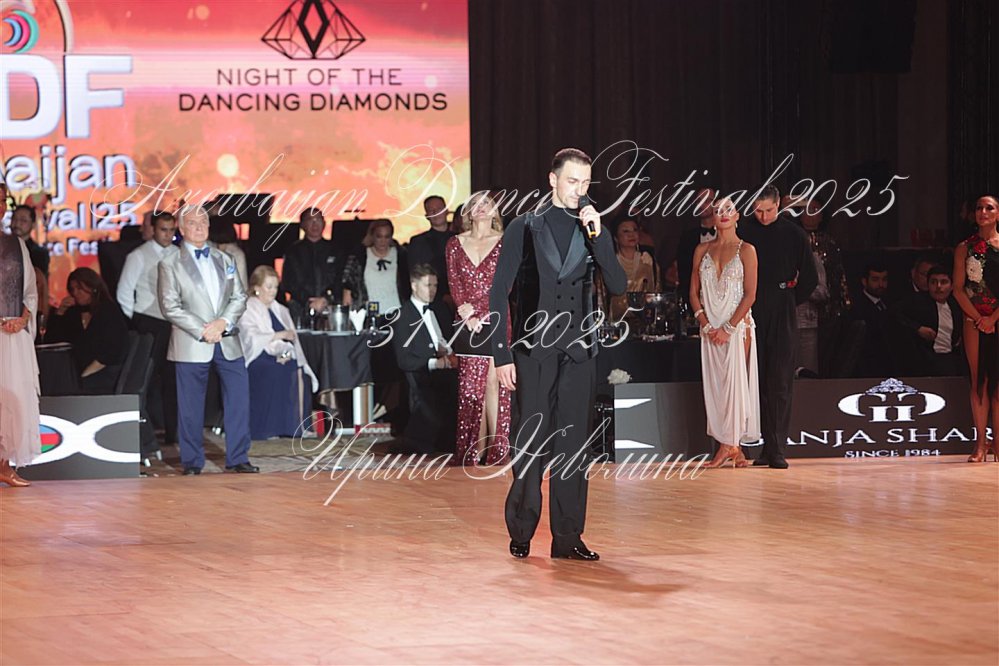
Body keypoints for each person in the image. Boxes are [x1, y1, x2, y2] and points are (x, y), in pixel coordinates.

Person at [489, 148, 627, 561]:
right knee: (531, 442)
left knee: (574, 446)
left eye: (585, 183)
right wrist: (501, 355)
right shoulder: (525, 226)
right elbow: (498, 293)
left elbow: (618, 285)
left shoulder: (593, 227)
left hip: (580, 352)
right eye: (572, 181)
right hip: (534, 351)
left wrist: (599, 237)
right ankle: (521, 528)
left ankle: (568, 537)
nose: (579, 190)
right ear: (552, 180)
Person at [158, 205, 258, 475]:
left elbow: (240, 296)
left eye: (203, 221)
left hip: (227, 339)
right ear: (181, 229)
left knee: (238, 399)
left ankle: (238, 457)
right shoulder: (169, 263)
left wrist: (223, 323)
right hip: (192, 342)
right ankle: (192, 461)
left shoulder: (225, 258)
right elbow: (170, 306)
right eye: (193, 223)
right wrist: (204, 330)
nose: (200, 227)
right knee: (190, 405)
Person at [737, 186, 818, 469]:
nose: (763, 216)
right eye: (758, 210)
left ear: (778, 206)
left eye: (769, 210)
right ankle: (760, 446)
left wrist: (789, 299)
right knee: (755, 378)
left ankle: (777, 448)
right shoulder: (743, 231)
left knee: (780, 379)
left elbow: (809, 277)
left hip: (782, 304)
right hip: (750, 306)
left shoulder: (794, 233)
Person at [689, 198, 761, 468]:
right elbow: (693, 292)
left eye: (728, 209)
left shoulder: (747, 250)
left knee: (735, 384)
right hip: (710, 328)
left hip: (736, 326)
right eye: (718, 210)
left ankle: (729, 446)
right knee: (716, 386)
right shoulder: (702, 249)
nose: (723, 214)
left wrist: (729, 327)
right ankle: (733, 448)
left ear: (737, 215)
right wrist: (706, 324)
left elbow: (750, 294)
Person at [446, 192, 511, 466]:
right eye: (475, 204)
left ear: (495, 211)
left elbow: (508, 283)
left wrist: (485, 311)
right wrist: (466, 311)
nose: (481, 207)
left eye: (487, 203)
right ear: (468, 212)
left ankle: (499, 451)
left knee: (494, 382)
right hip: (468, 321)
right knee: (472, 388)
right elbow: (454, 282)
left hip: (497, 316)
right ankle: (474, 450)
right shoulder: (454, 244)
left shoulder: (505, 241)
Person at [117, 211, 179, 445]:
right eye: (163, 229)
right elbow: (124, 291)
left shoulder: (179, 254)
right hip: (148, 322)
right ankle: (143, 433)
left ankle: (172, 432)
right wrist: (136, 321)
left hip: (174, 323)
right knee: (145, 378)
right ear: (153, 229)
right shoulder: (138, 255)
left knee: (172, 378)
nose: (167, 235)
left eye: (171, 230)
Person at [239, 266, 318, 440]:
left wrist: (285, 354)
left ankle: (297, 426)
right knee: (274, 371)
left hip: (282, 354)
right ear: (257, 288)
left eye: (275, 287)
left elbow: (292, 342)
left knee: (297, 369)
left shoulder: (281, 310)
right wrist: (278, 335)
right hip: (257, 356)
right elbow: (251, 338)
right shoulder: (248, 308)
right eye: (269, 287)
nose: (273, 291)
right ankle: (269, 428)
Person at [391, 264, 458, 455]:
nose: (432, 290)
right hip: (423, 378)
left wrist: (450, 355)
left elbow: (443, 341)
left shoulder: (438, 310)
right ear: (414, 286)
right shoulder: (403, 316)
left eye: (435, 285)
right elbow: (404, 360)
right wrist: (436, 363)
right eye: (428, 285)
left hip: (446, 370)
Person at [952, 194, 999, 463]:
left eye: (989, 208)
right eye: (979, 208)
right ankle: (980, 443)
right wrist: (980, 319)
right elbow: (958, 289)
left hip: (996, 318)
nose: (983, 212)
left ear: (997, 214)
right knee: (979, 380)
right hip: (974, 320)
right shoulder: (965, 248)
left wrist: (993, 319)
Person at [0, 197, 41, 487]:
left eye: (2, 200)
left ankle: (4, 465)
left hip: (13, 335)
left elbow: (30, 291)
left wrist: (24, 318)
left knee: (13, 398)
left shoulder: (16, 244)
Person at [45, 268, 129, 393]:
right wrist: (60, 313)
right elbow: (54, 340)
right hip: (75, 370)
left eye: (79, 288)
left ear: (93, 287)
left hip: (103, 371)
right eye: (72, 289)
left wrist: (85, 375)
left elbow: (113, 349)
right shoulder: (73, 313)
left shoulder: (108, 311)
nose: (75, 293)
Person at [794, 198, 850, 376]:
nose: (810, 214)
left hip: (817, 316)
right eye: (806, 210)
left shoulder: (829, 244)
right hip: (786, 318)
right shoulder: (791, 242)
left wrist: (800, 286)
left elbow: (832, 283)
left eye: (815, 209)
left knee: (813, 368)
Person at [895, 265, 963, 376]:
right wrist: (918, 328)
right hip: (924, 360)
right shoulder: (916, 301)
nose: (938, 286)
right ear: (928, 284)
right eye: (933, 282)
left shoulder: (956, 305)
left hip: (951, 358)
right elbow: (894, 315)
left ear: (951, 286)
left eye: (943, 282)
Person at [281, 207, 343, 323]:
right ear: (302, 225)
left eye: (318, 219)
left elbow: (340, 279)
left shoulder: (335, 250)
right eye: (310, 220)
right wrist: (308, 301)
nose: (315, 224)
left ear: (324, 223)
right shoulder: (293, 251)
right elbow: (288, 282)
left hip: (329, 307)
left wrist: (326, 299)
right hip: (299, 309)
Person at [340, 219, 410, 314]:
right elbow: (348, 286)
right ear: (372, 236)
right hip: (368, 313)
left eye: (387, 237)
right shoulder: (359, 257)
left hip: (397, 312)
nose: (383, 241)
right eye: (379, 236)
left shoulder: (401, 256)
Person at [606, 218, 660, 321]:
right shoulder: (611, 263)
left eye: (635, 230)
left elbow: (656, 291)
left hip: (644, 321)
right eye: (626, 231)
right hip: (617, 322)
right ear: (616, 237)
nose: (632, 235)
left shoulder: (647, 261)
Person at [849, 263, 896, 378]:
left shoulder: (889, 303)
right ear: (864, 281)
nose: (881, 284)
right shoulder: (857, 308)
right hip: (868, 371)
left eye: (884, 280)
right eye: (875, 280)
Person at [407, 196, 456, 306]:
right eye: (431, 210)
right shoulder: (418, 242)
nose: (436, 212)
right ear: (427, 216)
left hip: (461, 300)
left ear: (447, 211)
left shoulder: (460, 239)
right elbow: (417, 274)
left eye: (439, 209)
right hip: (432, 300)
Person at [676, 187, 718, 303]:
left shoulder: (728, 234)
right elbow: (684, 273)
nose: (702, 204)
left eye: (707, 200)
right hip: (695, 299)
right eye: (699, 200)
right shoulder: (687, 238)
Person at [9, 205, 49, 276]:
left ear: (33, 224)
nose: (17, 224)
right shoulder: (3, 247)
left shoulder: (39, 253)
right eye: (14, 219)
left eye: (23, 220)